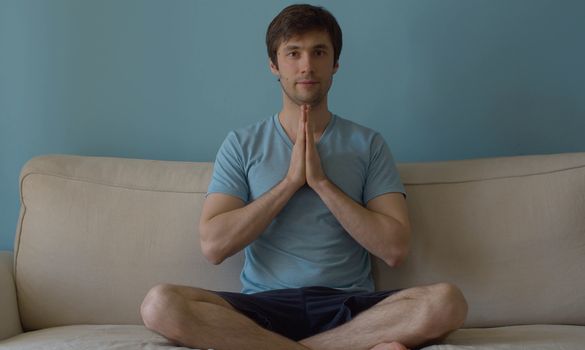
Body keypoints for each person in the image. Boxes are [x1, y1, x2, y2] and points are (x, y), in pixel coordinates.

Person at [141, 4, 468, 350]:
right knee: (159, 304)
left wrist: (323, 184)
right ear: (274, 65)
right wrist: (289, 183)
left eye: (319, 52)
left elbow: (395, 248)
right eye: (293, 53)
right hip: (263, 308)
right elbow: (214, 246)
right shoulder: (241, 144)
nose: (307, 65)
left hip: (349, 307)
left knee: (447, 302)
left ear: (335, 63)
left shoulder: (368, 144)